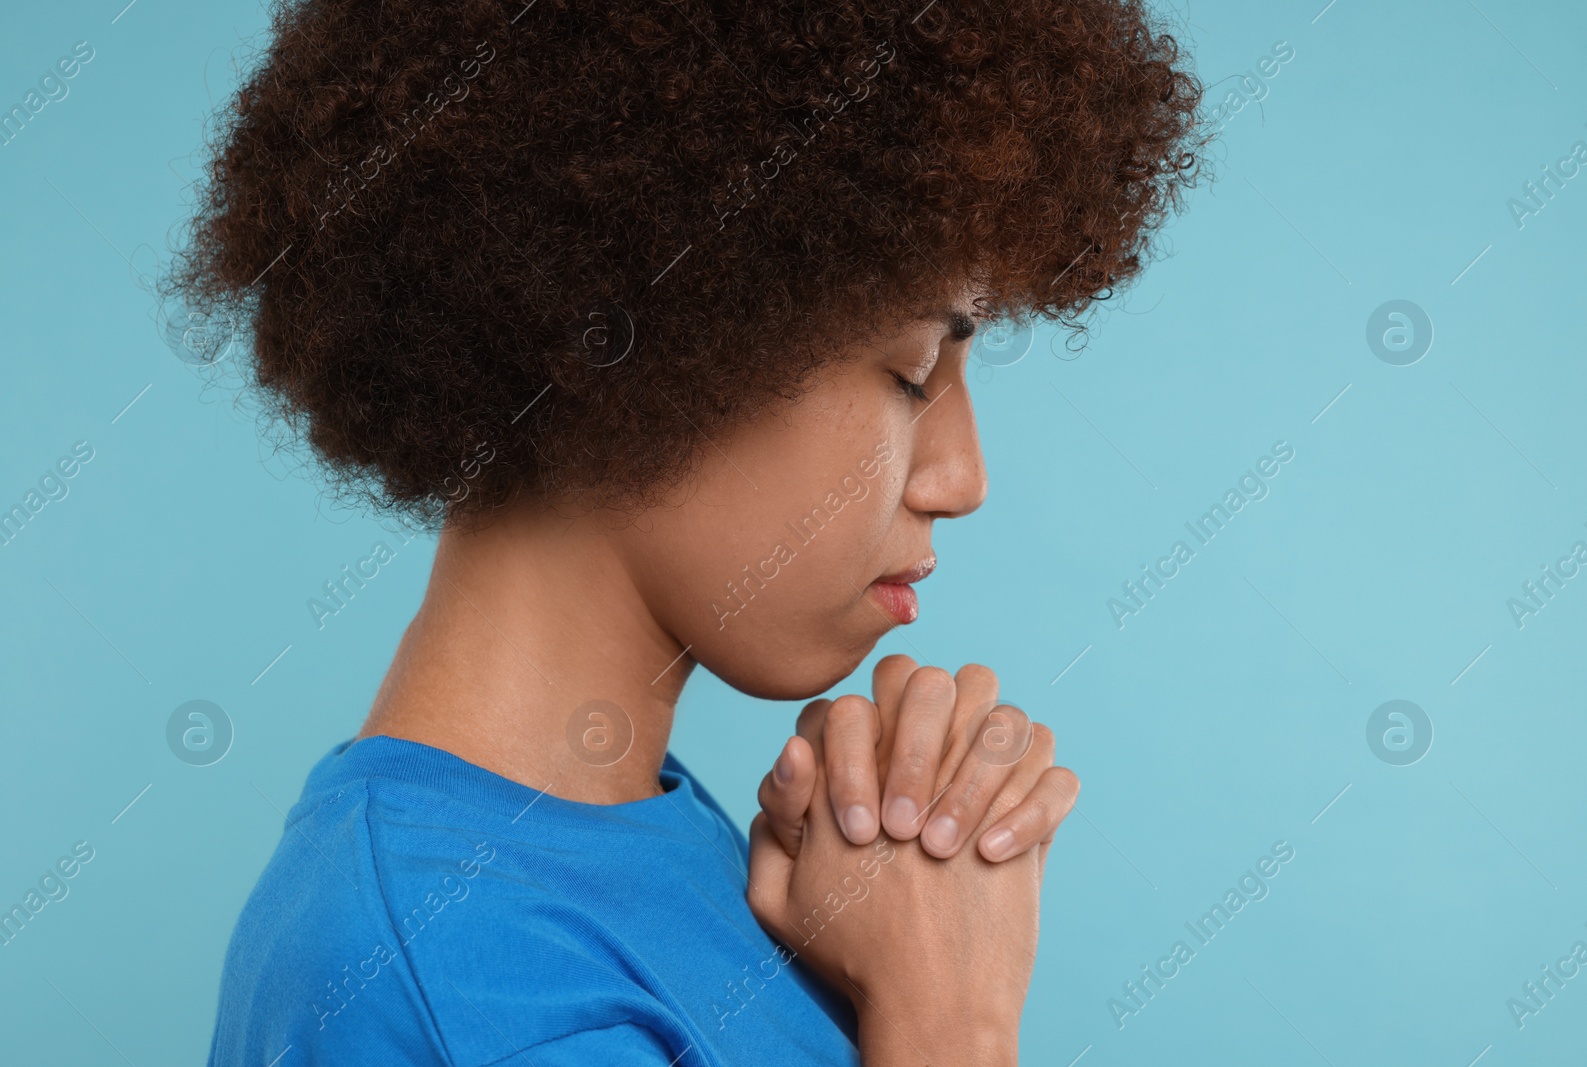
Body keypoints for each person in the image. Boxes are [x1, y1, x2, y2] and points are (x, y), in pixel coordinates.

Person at [167, 1, 1208, 1062]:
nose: (962, 477)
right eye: (911, 372)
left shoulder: (618, 834)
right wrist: (952, 1014)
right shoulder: (468, 987)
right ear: (636, 336)